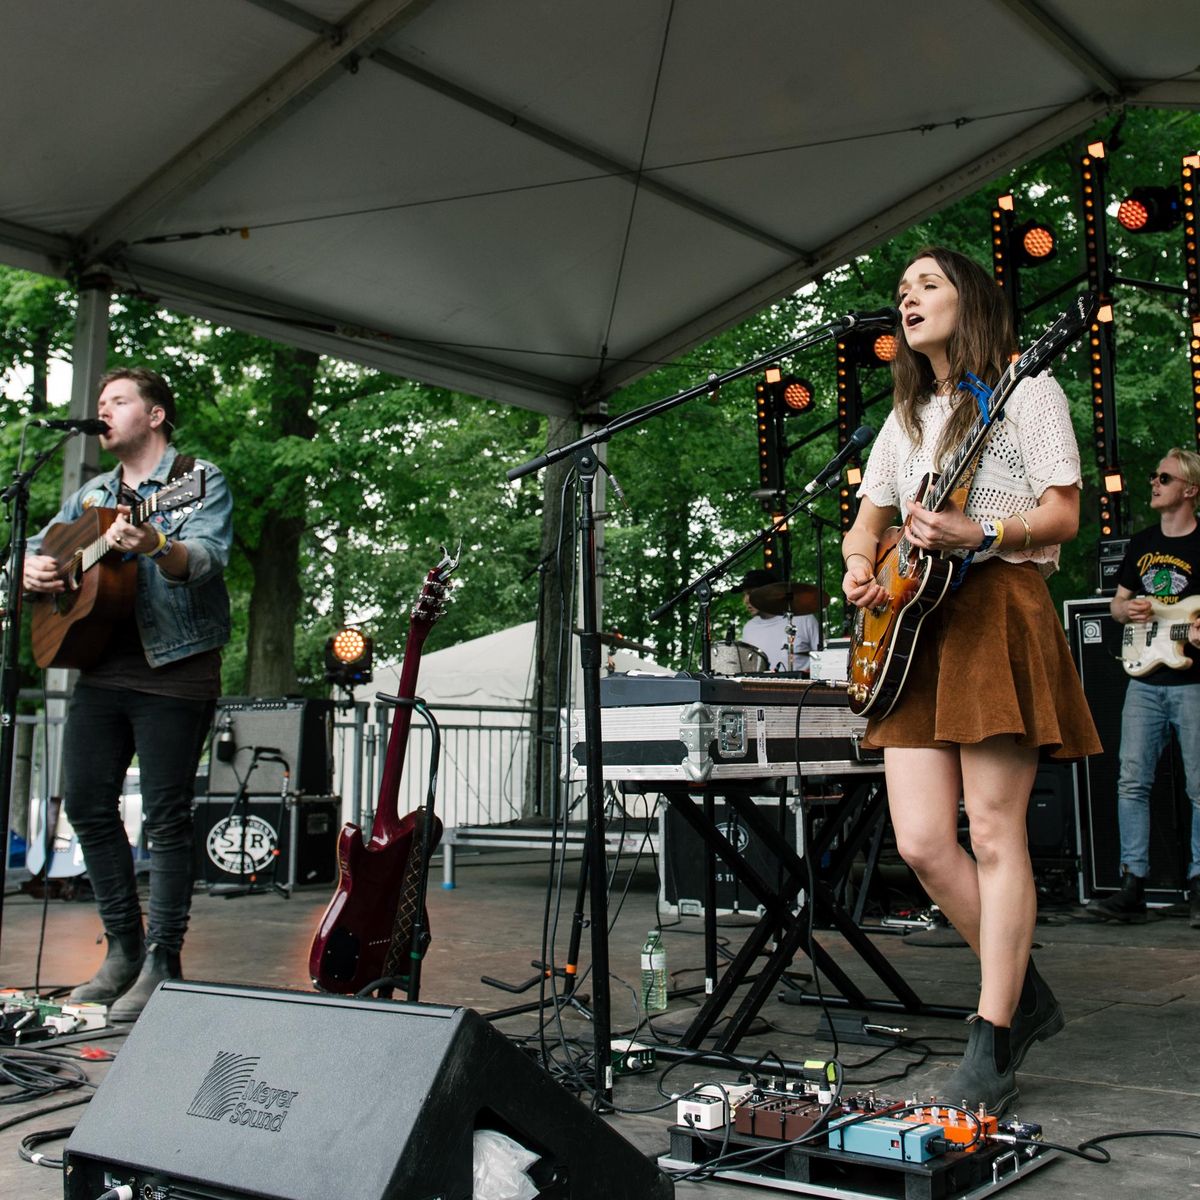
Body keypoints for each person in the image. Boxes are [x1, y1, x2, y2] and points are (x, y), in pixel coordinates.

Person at [840, 247, 1101, 1114]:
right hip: (913, 629)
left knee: (992, 831)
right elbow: (869, 519)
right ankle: (1022, 992)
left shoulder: (1028, 390)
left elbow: (1063, 512)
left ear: (971, 300)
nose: (908, 299)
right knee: (920, 842)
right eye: (901, 291)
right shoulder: (907, 417)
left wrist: (981, 533)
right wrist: (859, 564)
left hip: (996, 610)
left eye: (928, 285)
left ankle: (991, 1039)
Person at [24, 367, 233, 1020]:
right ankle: (122, 949)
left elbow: (205, 559)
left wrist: (157, 543)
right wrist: (26, 567)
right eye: (100, 402)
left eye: (117, 400)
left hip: (175, 669)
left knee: (166, 818)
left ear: (156, 415)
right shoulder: (92, 495)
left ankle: (163, 960)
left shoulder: (197, 479)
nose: (103, 410)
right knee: (87, 804)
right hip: (100, 669)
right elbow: (39, 548)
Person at [1090, 448, 1200, 926]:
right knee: (1131, 781)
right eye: (1155, 476)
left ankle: (1199, 883)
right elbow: (1117, 606)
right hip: (1145, 677)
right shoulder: (1142, 543)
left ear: (1190, 489)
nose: (1154, 482)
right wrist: (1127, 610)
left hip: (1193, 680)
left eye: (1165, 478)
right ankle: (1132, 883)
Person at [733, 568, 820, 673]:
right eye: (744, 594)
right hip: (762, 683)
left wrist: (811, 673)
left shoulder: (804, 618)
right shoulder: (749, 628)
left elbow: (824, 658)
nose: (745, 600)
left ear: (770, 593)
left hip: (802, 683)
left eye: (750, 593)